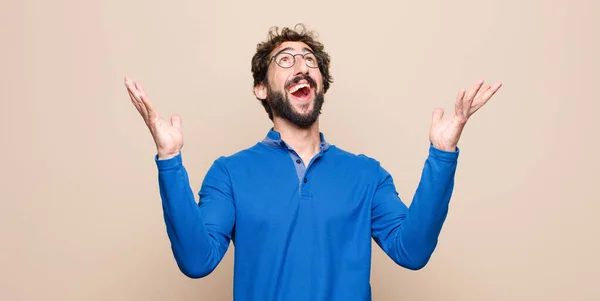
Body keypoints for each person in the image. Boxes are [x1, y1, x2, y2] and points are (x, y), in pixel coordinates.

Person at [124, 24, 502, 301]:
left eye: (310, 61)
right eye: (285, 60)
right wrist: (170, 160)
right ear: (261, 87)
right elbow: (196, 259)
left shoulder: (366, 174)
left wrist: (442, 154)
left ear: (321, 83)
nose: (301, 66)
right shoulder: (230, 174)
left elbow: (413, 250)